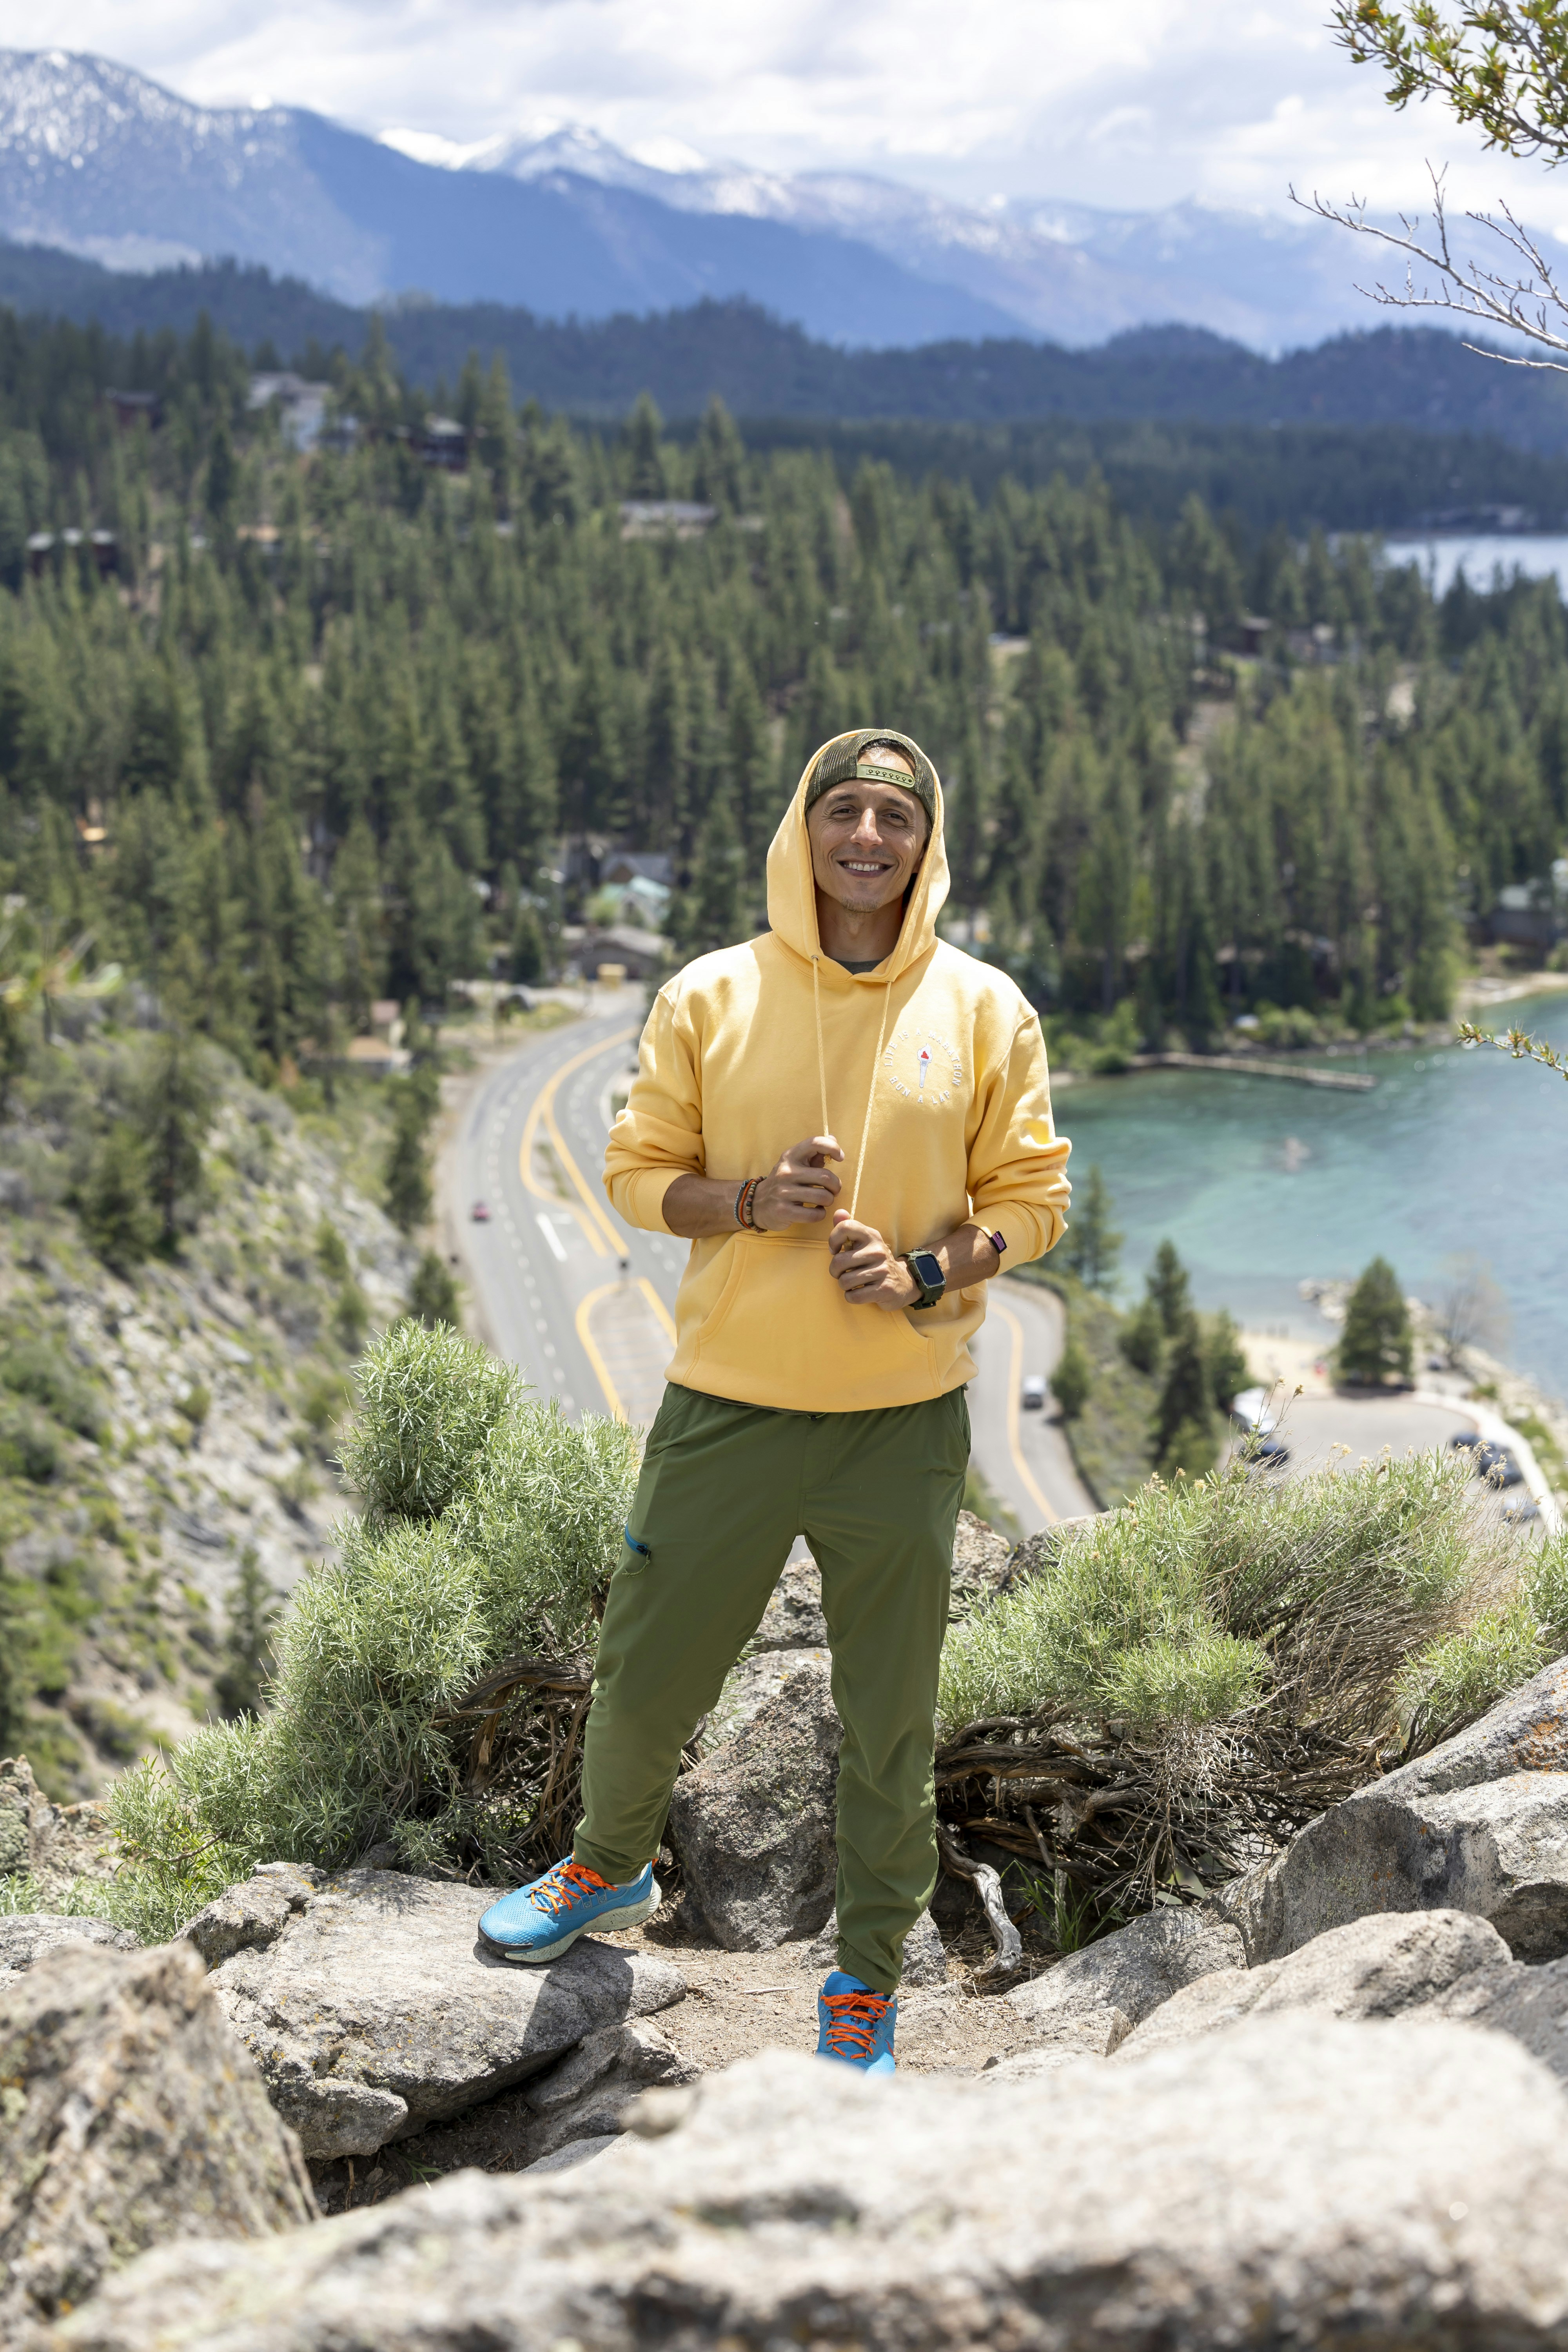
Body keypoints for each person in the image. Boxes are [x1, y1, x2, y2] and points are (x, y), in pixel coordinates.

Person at [479, 727, 1070, 2073]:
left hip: (901, 1424)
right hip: (726, 1408)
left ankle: (864, 1981)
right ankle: (607, 1871)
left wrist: (923, 1272)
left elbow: (1034, 1205)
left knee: (889, 1716)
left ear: (928, 846)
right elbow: (636, 1176)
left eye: (895, 820)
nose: (868, 837)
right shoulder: (710, 994)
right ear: (802, 830)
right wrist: (752, 1203)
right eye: (844, 811)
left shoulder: (986, 1008)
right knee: (642, 1675)